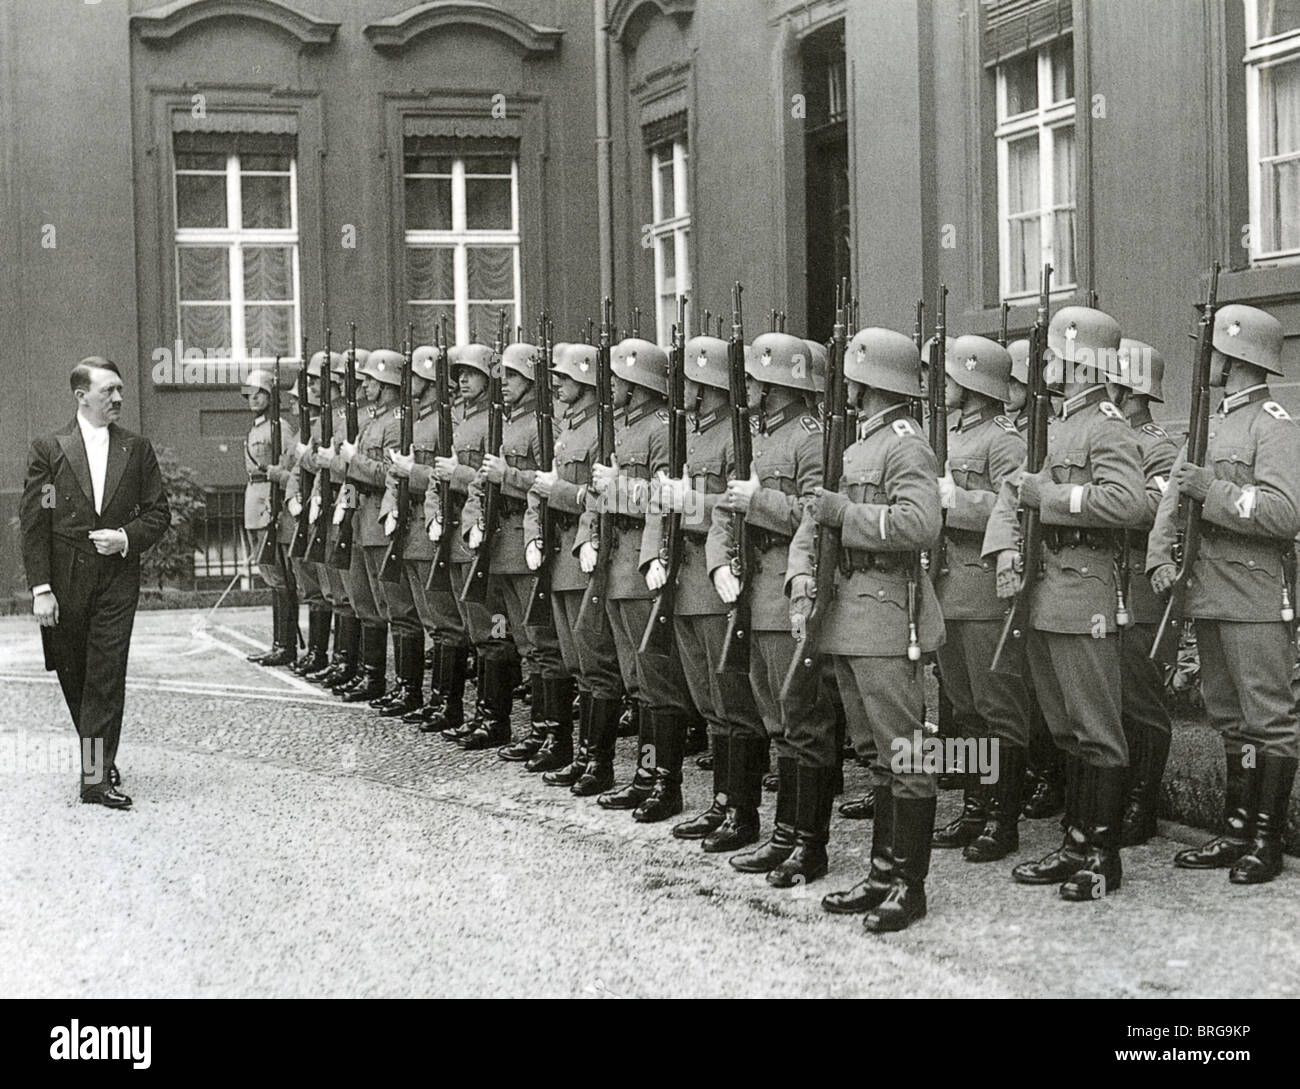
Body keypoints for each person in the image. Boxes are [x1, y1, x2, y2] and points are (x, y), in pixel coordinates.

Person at [984, 306, 1146, 902]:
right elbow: (1016, 495)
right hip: (1047, 588)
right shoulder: (1055, 424)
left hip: (1084, 590)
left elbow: (1128, 504)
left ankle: (1101, 858)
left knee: (1096, 728)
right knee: (1065, 727)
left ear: (1080, 364)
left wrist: (1050, 496)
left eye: (1052, 354)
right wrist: (1005, 547)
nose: (1045, 365)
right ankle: (1076, 841)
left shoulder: (1105, 425)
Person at [792, 328, 943, 932]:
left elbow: (920, 524)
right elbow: (814, 520)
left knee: (905, 752)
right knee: (876, 753)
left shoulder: (905, 445)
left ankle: (909, 885)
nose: (845, 386)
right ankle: (883, 873)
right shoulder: (859, 444)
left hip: (885, 614)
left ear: (873, 380)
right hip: (848, 614)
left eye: (853, 375)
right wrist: (801, 578)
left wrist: (845, 514)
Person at [1148, 303, 1300, 884]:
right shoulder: (1210, 421)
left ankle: (1266, 837)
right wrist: (1160, 552)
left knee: (1269, 719)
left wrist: (1213, 490)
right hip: (1208, 590)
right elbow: (1173, 496)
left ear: (1235, 356)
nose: (1205, 358)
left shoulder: (1274, 424)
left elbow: (1285, 514)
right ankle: (1236, 828)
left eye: (1212, 348)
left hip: (1255, 596)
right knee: (1230, 718)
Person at [709, 331, 836, 886]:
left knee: (803, 718)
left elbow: (816, 514)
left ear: (781, 385)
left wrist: (757, 502)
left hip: (791, 586)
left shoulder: (811, 439)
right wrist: (720, 560)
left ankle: (809, 844)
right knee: (775, 718)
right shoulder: (757, 436)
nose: (752, 389)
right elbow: (723, 507)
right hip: (755, 588)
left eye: (761, 379)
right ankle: (783, 835)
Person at [21, 357, 171, 809]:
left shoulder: (137, 449)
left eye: (121, 389)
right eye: (108, 391)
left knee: (106, 674)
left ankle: (95, 776)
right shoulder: (49, 450)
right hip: (65, 579)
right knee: (74, 673)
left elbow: (158, 513)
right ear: (81, 395)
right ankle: (98, 755)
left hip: (117, 579)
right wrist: (41, 588)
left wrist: (127, 537)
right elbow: (36, 520)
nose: (118, 398)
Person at [658, 333, 768, 851]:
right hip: (686, 581)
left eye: (693, 383)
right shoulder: (694, 433)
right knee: (708, 701)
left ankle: (741, 811)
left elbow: (735, 511)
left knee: (733, 702)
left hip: (718, 583)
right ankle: (722, 802)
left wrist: (687, 503)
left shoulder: (735, 437)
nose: (685, 392)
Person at [931, 335, 1032, 862]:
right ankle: (973, 808)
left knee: (998, 711)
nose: (942, 385)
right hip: (947, 588)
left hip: (986, 590)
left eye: (949, 376)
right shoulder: (945, 431)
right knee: (964, 710)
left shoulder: (1004, 439)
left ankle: (1000, 818)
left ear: (973, 382)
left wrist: (958, 501)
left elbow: (1012, 508)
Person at [1106, 339, 1177, 844]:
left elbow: (1154, 510)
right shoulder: (1106, 435)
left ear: (1126, 386)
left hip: (1138, 581)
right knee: (1107, 696)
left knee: (1140, 699)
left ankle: (1141, 804)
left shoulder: (1156, 445)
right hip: (1107, 581)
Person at [241, 369, 299, 666]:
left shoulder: (281, 427)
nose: (253, 398)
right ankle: (278, 642)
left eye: (259, 393)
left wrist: (279, 508)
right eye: (249, 394)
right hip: (255, 503)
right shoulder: (257, 428)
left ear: (270, 396)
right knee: (270, 576)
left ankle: (284, 645)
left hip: (270, 505)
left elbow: (289, 467)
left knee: (280, 579)